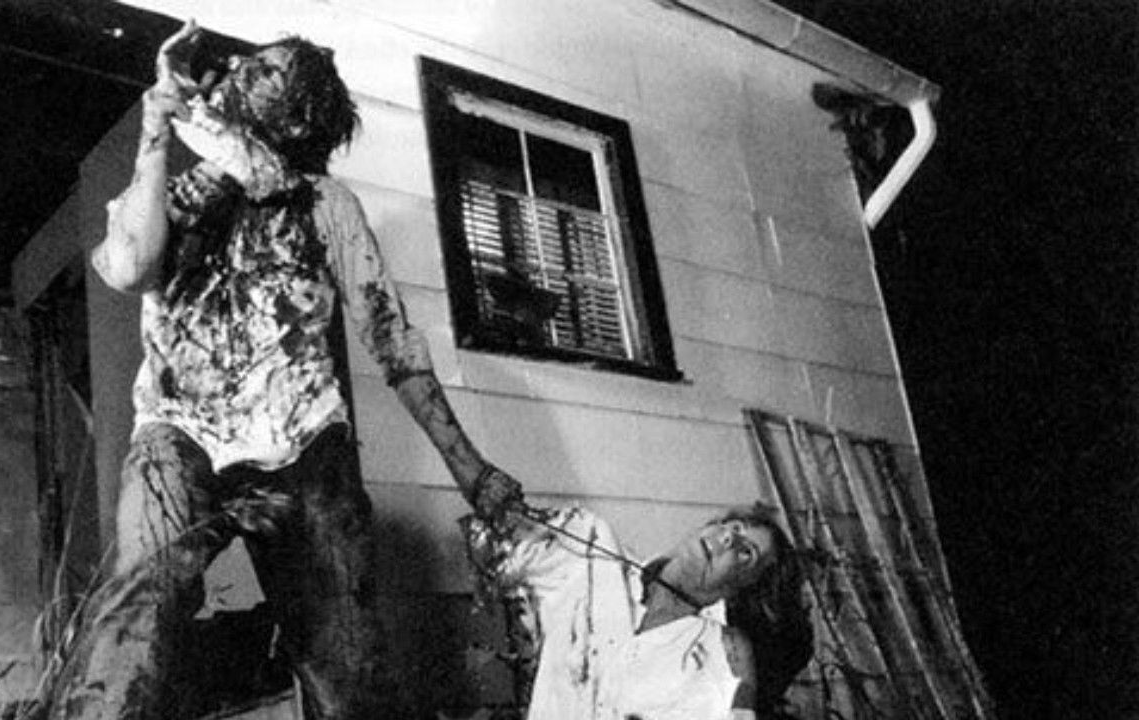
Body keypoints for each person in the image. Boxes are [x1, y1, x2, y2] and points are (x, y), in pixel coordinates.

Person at [45, 20, 522, 720]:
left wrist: (472, 472)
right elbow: (127, 267)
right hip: (179, 436)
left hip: (305, 446)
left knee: (347, 668)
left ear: (297, 118)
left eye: (265, 70)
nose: (237, 68)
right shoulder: (177, 191)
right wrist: (154, 124)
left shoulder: (328, 205)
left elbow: (392, 342)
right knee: (132, 633)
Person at [459, 486, 812, 720]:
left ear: (745, 588)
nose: (727, 539)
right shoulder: (594, 555)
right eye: (732, 527)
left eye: (746, 552)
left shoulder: (719, 654)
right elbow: (495, 512)